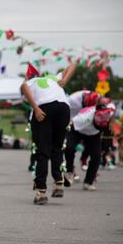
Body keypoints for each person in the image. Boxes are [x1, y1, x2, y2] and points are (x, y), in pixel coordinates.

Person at [21, 62, 77, 205]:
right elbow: (73, 64)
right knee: (57, 148)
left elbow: (23, 87)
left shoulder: (32, 81)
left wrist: (35, 108)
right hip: (64, 108)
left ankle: (41, 192)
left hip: (46, 108)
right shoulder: (53, 77)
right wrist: (65, 79)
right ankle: (58, 184)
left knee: (43, 152)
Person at [64, 102, 116, 191]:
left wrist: (111, 122)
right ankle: (69, 171)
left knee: (97, 156)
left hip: (93, 135)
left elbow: (112, 107)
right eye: (99, 123)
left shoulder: (108, 112)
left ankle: (88, 182)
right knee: (69, 148)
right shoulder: (83, 118)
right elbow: (70, 123)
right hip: (77, 130)